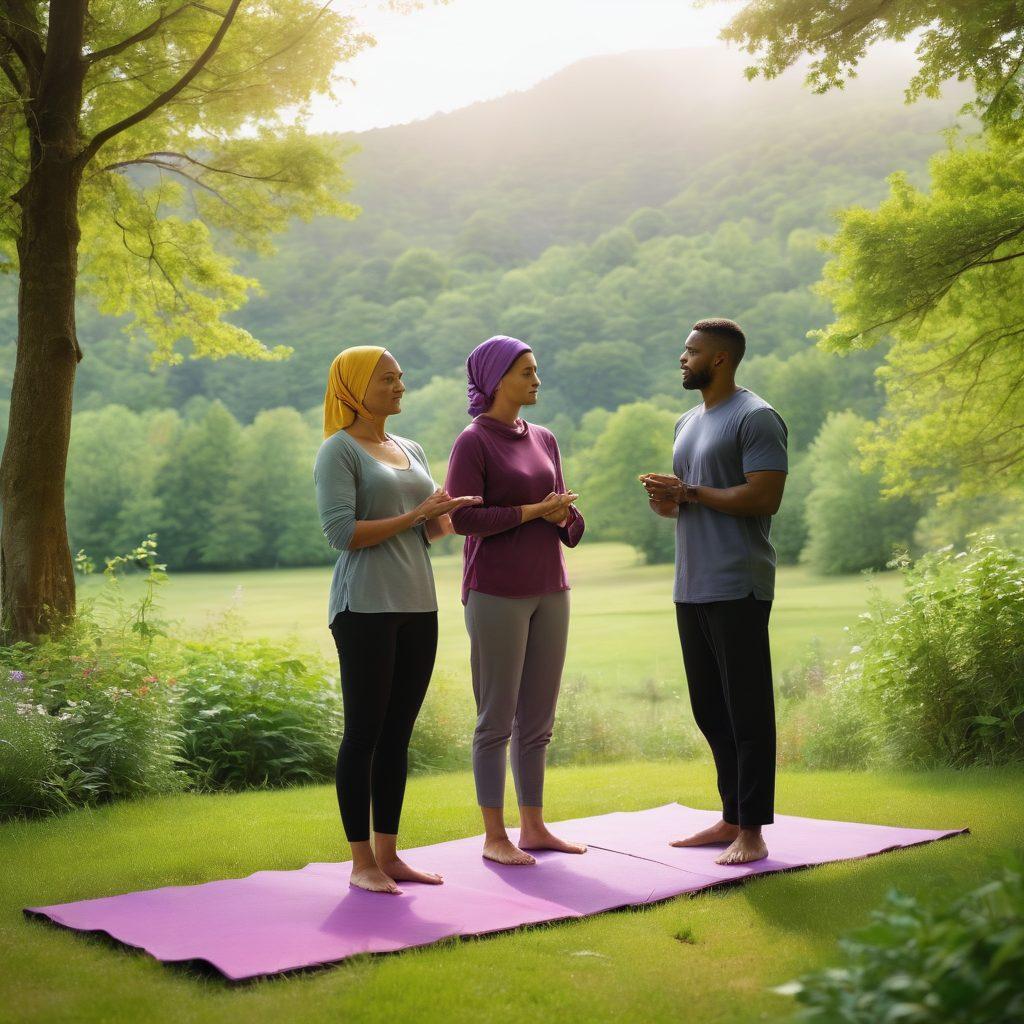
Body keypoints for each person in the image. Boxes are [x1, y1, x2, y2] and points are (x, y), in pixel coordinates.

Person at [314, 345, 481, 894]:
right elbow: (342, 535)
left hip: (417, 605)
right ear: (355, 389)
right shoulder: (338, 452)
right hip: (364, 607)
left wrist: (448, 514)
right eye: (388, 379)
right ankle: (361, 863)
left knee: (397, 736)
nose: (399, 386)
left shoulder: (409, 447)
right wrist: (416, 513)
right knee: (364, 732)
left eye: (400, 377)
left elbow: (427, 533)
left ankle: (389, 856)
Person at [641, 318, 787, 866]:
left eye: (692, 350)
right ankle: (731, 814)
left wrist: (692, 492)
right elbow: (686, 502)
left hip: (738, 583)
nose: (683, 358)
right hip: (691, 584)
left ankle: (753, 830)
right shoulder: (686, 420)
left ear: (720, 359)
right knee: (709, 707)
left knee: (747, 708)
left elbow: (763, 497)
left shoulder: (757, 417)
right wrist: (667, 500)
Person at [445, 335, 587, 866]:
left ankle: (533, 827)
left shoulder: (545, 438)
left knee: (538, 719)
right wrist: (532, 512)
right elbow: (461, 518)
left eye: (536, 370)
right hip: (496, 592)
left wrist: (561, 515)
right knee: (495, 716)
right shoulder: (473, 441)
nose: (536, 379)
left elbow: (570, 521)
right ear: (496, 379)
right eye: (526, 371)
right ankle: (494, 835)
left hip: (551, 588)